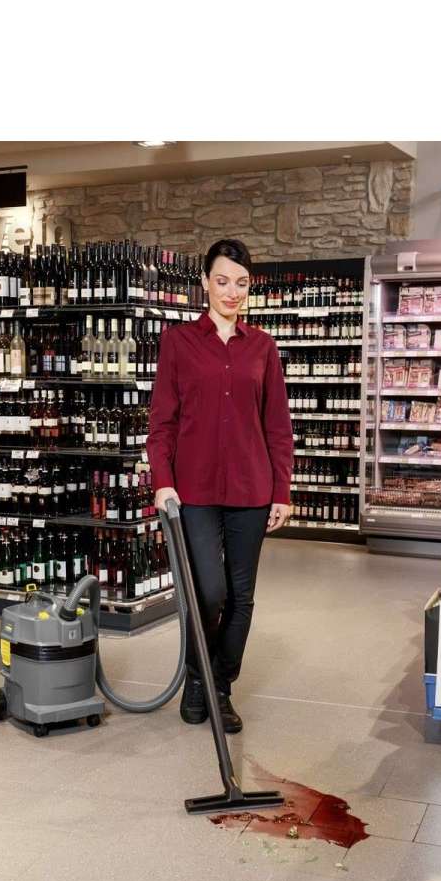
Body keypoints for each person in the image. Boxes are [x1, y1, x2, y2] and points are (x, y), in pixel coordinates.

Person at [147, 237, 293, 732]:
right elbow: (161, 424)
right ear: (205, 283)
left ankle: (220, 688)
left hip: (252, 489)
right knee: (209, 592)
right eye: (223, 281)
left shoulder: (263, 347)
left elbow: (277, 426)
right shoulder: (179, 343)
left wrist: (282, 490)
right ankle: (197, 677)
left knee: (241, 596)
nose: (232, 292)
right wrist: (162, 481)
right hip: (195, 491)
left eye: (242, 283)